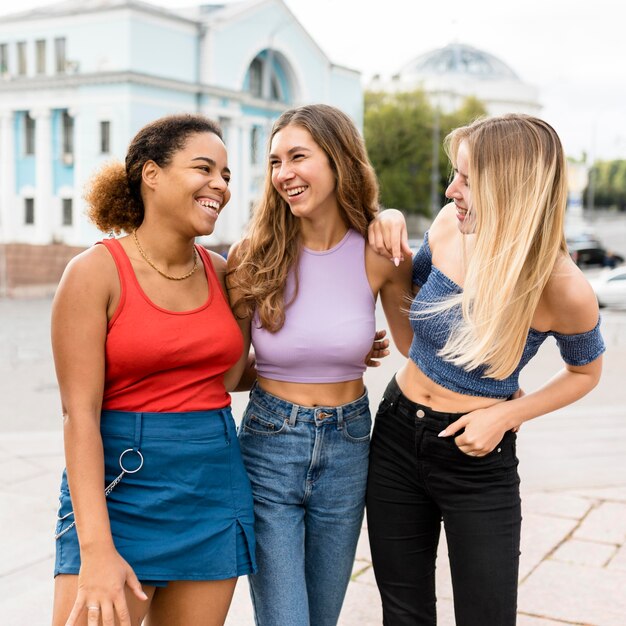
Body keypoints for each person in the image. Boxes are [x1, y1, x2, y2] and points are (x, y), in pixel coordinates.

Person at [366, 114, 605, 625]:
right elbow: (411, 326)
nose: (452, 189)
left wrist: (506, 415)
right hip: (394, 433)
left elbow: (586, 372)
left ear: (511, 185)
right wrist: (386, 221)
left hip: (477, 458)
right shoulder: (450, 226)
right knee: (403, 613)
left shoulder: (563, 287)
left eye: (468, 179)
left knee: (487, 616)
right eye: (455, 173)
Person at [51, 114, 256, 626]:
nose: (220, 185)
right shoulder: (94, 272)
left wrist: (324, 355)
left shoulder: (224, 272)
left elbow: (223, 378)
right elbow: (80, 415)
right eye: (204, 168)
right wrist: (96, 548)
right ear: (152, 174)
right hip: (119, 489)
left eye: (226, 175)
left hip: (211, 484)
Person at [226, 103, 415, 626]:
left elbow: (415, 347)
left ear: (338, 160)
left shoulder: (381, 253)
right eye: (274, 161)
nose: (283, 173)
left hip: (350, 446)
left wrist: (494, 383)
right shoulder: (251, 256)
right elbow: (229, 371)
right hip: (268, 442)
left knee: (323, 617)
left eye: (298, 157)